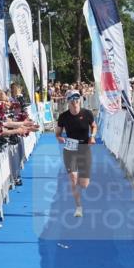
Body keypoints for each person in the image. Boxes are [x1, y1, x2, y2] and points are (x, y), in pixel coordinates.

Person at [56, 89, 97, 218]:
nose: (75, 101)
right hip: (70, 149)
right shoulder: (63, 116)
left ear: (80, 99)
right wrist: (59, 138)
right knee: (73, 179)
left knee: (84, 184)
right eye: (72, 98)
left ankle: (80, 183)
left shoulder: (87, 113)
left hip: (84, 148)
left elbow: (94, 126)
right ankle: (78, 207)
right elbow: (57, 133)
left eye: (77, 98)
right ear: (68, 101)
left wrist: (93, 136)